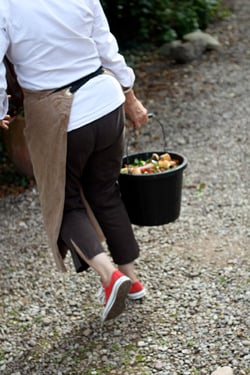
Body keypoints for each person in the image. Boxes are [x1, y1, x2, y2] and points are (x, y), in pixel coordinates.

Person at [0, 0, 148, 322]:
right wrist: (129, 94)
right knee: (106, 191)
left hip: (58, 114)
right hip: (106, 99)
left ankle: (110, 276)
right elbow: (107, 45)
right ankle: (132, 278)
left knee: (63, 202)